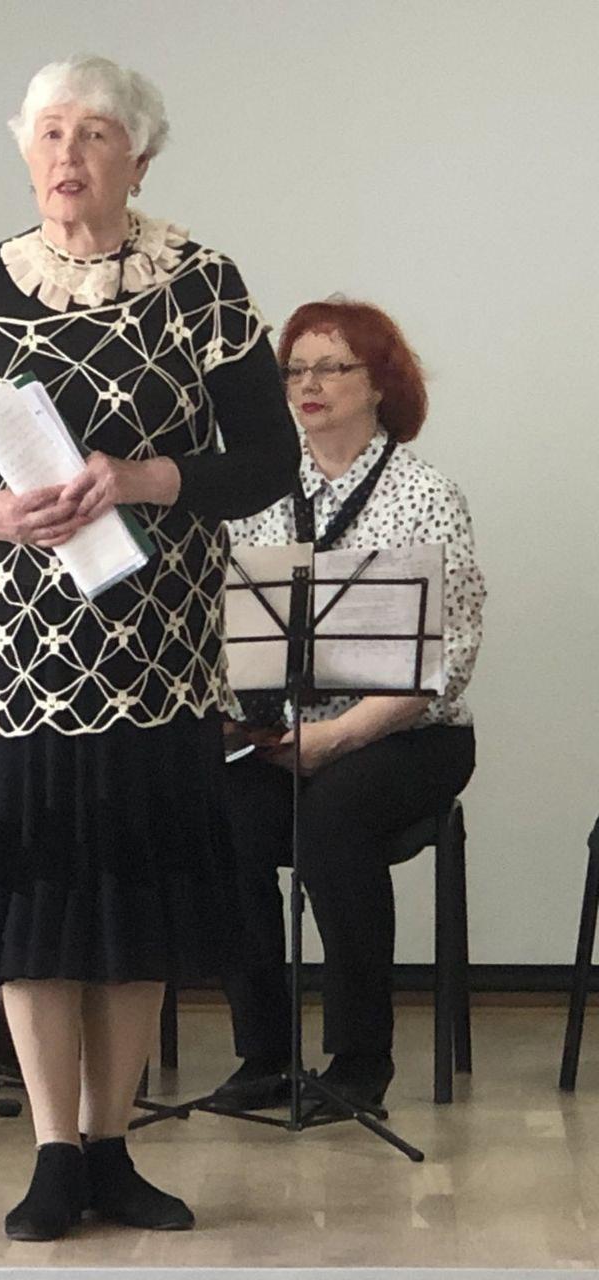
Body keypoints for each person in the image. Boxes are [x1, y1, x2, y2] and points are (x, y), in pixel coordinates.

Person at [0, 55, 299, 1240]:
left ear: (140, 158)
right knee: (31, 909)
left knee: (136, 903)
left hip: (154, 653)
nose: (69, 153)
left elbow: (265, 459)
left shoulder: (201, 283)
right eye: (51, 132)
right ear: (26, 151)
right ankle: (52, 1149)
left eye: (97, 133)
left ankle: (112, 1143)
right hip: (7, 661)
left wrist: (148, 477)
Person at [214, 299, 486, 1116]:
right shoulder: (259, 494)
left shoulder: (426, 493)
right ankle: (263, 1053)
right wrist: (241, 721)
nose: (309, 384)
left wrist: (336, 736)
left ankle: (361, 1060)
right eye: (295, 369)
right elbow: (223, 632)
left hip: (408, 733)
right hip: (287, 726)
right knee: (225, 814)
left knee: (332, 819)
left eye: (332, 367)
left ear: (379, 384)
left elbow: (446, 655)